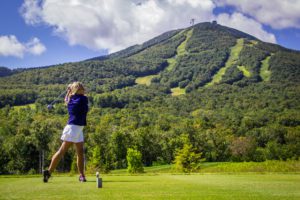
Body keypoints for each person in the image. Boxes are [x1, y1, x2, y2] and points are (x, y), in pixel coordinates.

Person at [43, 82, 89, 183]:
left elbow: (66, 100)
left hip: (77, 128)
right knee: (62, 151)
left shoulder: (72, 99)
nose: (83, 88)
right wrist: (69, 91)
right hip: (73, 128)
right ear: (77, 90)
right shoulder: (82, 99)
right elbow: (83, 96)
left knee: (80, 153)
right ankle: (49, 172)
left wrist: (68, 91)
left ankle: (81, 175)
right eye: (80, 87)